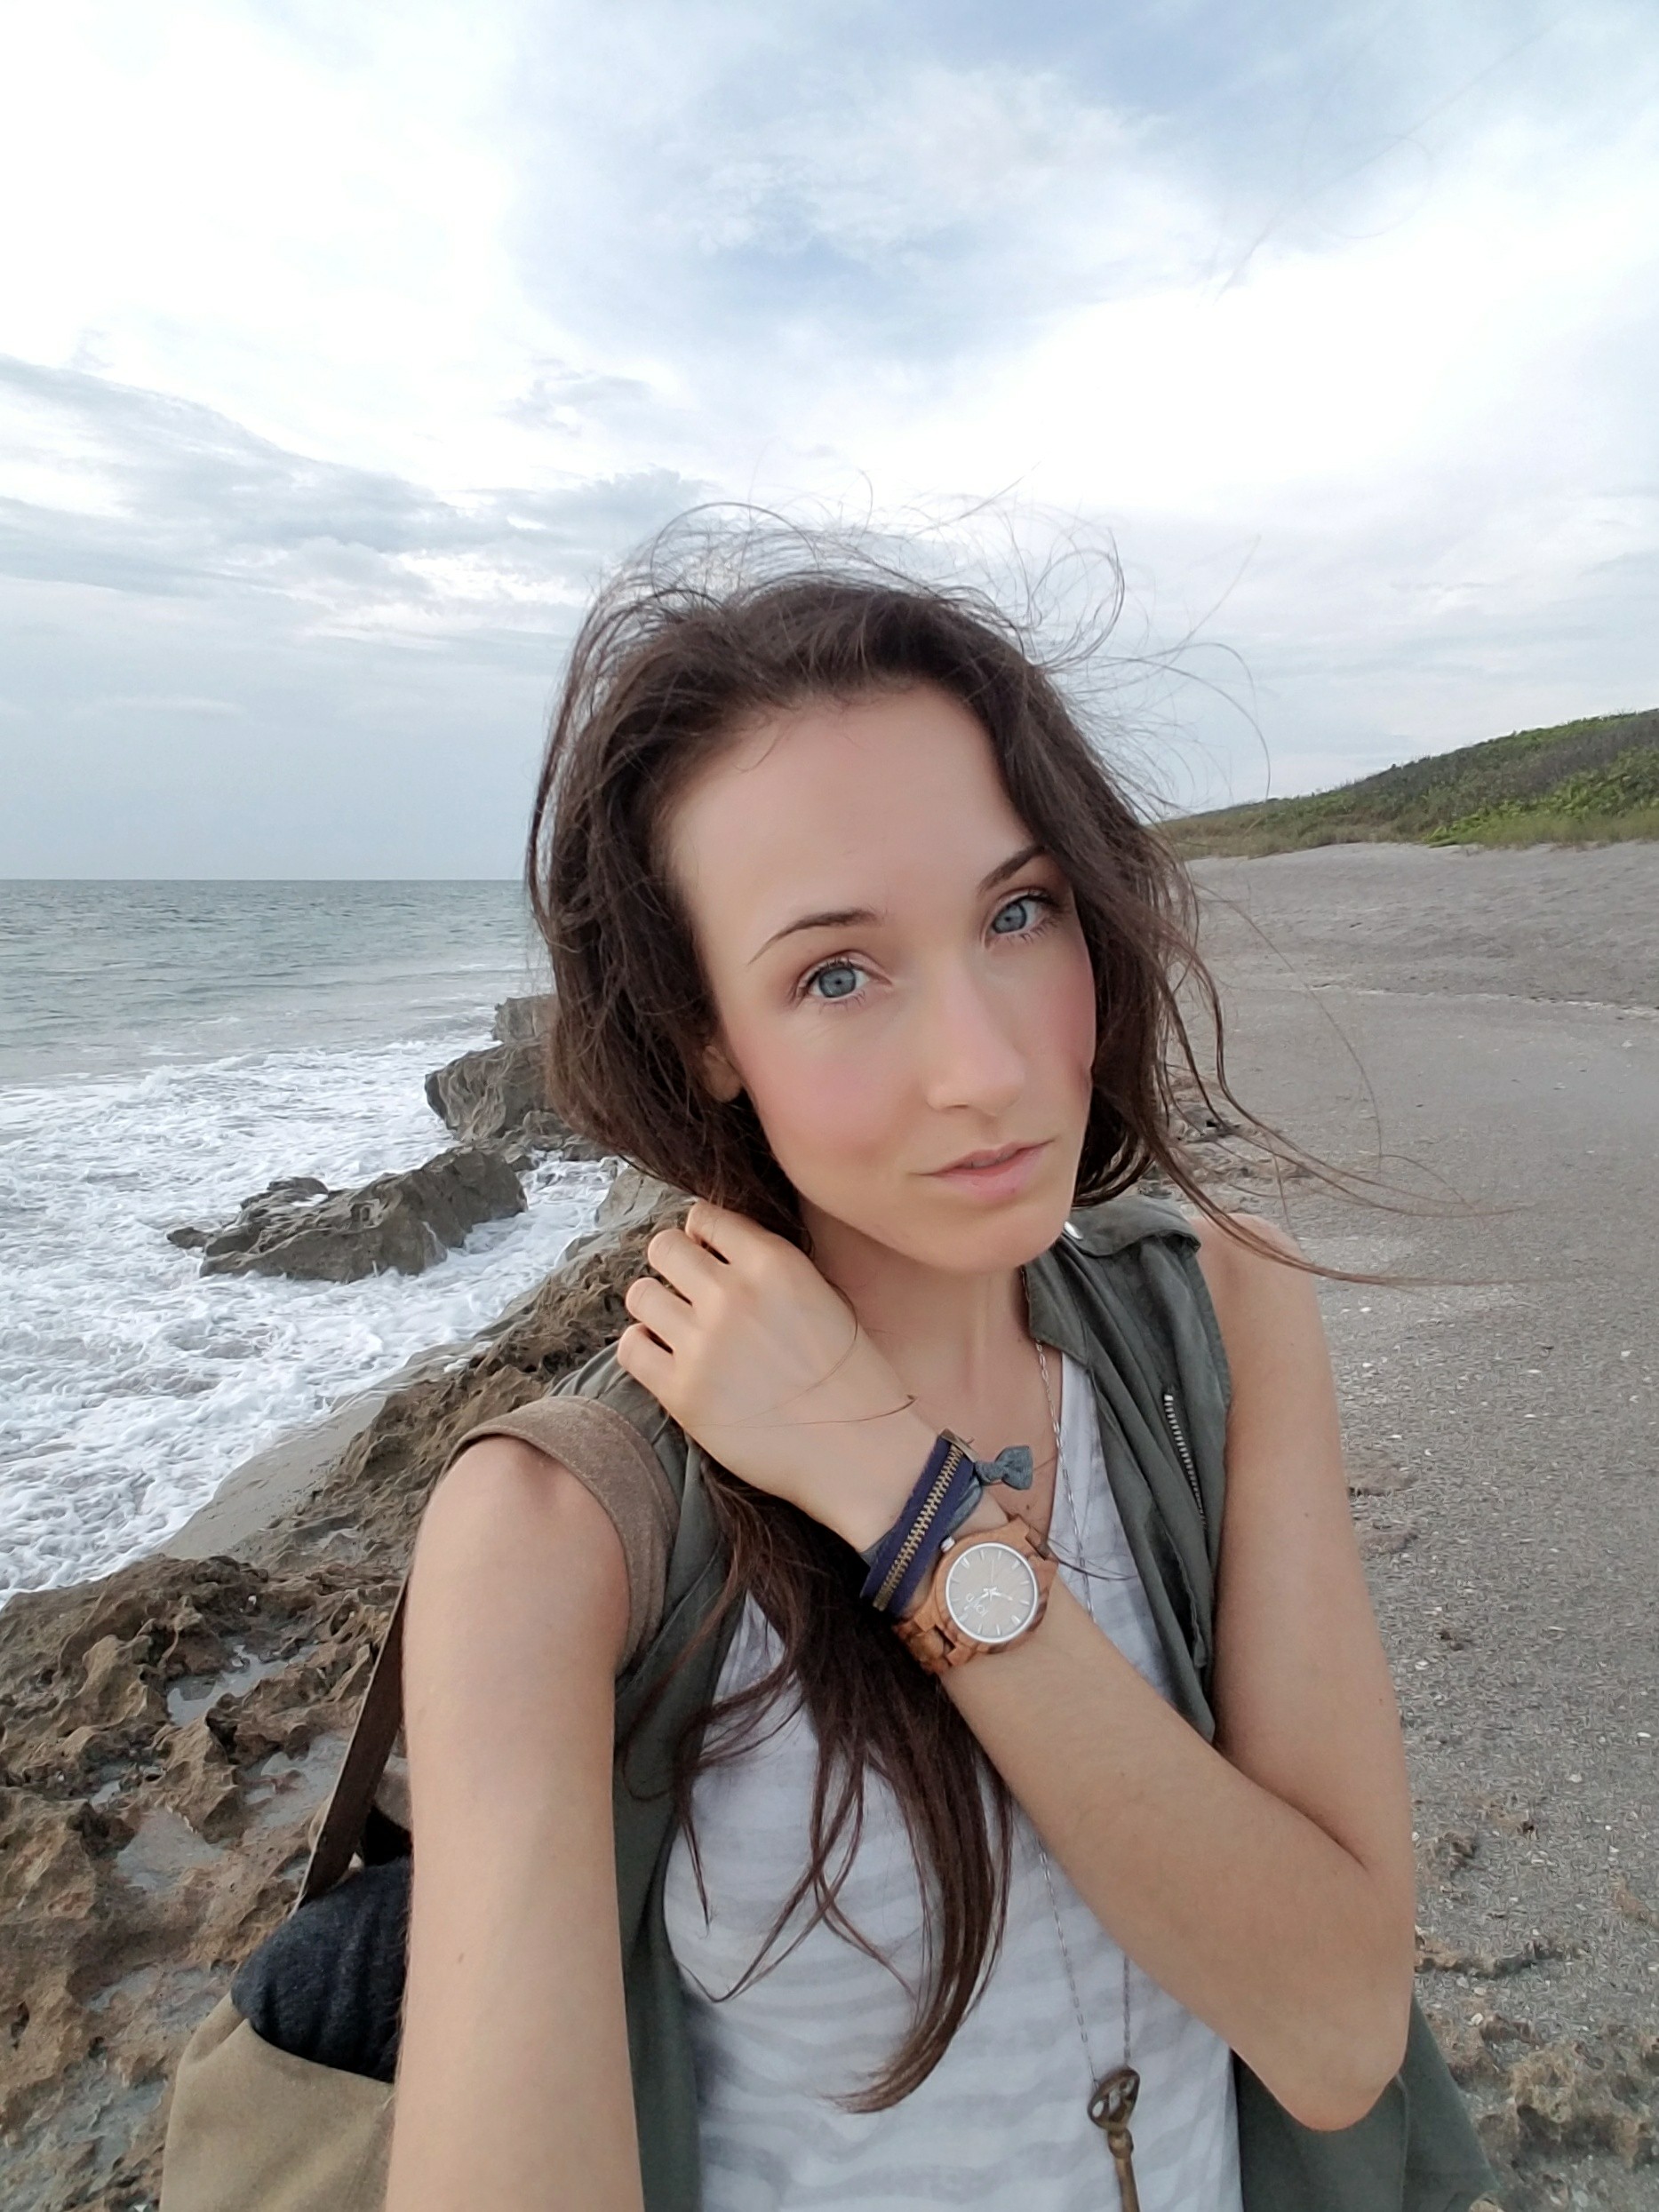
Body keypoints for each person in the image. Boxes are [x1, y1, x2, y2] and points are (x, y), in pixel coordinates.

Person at [381, 532, 1491, 2212]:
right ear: (702, 1032)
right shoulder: (553, 1543)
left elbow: (1339, 2029)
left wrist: (907, 1504)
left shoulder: (1218, 1325)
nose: (986, 1067)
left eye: (1018, 911)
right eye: (837, 971)